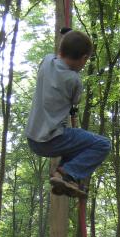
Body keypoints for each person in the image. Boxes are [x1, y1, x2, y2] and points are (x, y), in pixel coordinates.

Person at [25, 30, 110, 198]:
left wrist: (67, 37)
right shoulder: (74, 80)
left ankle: (64, 176)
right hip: (51, 139)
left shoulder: (46, 61)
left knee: (75, 141)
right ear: (84, 59)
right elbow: (76, 100)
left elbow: (57, 55)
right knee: (102, 145)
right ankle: (66, 173)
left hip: (33, 138)